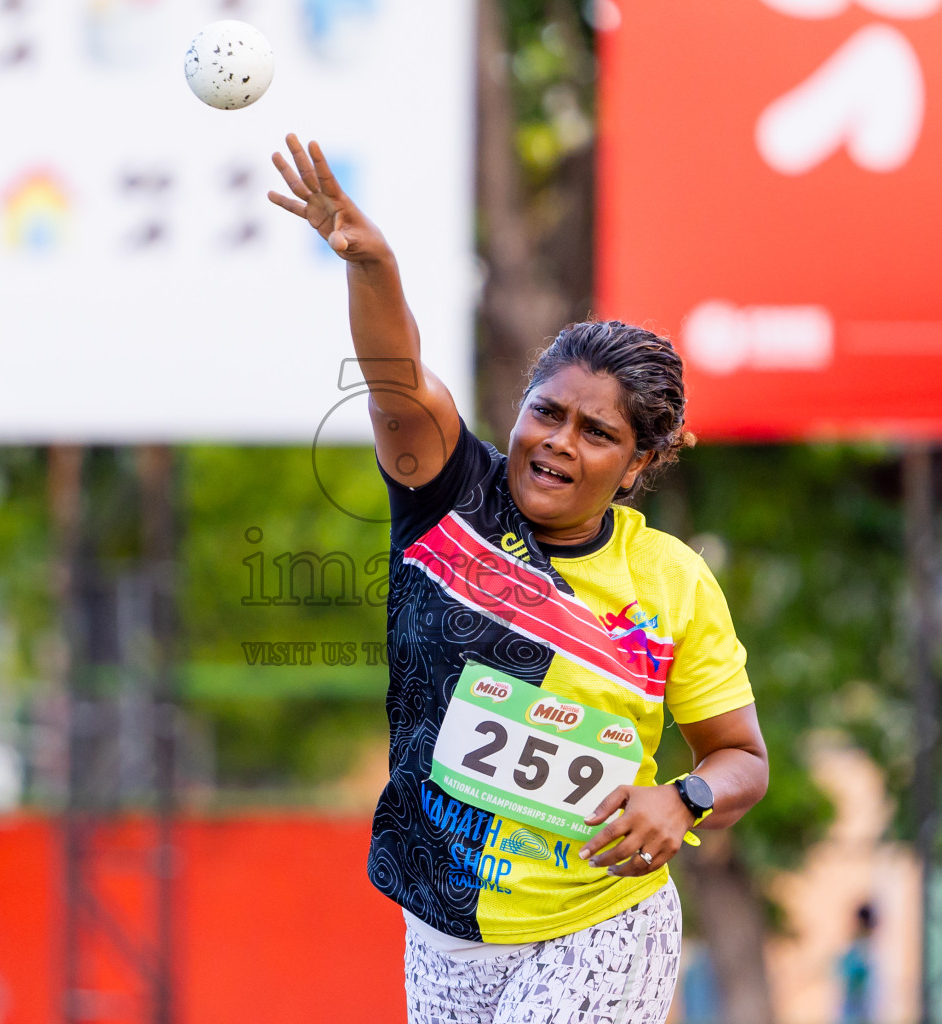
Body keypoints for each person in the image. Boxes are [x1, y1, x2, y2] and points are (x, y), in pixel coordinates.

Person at [268, 134, 769, 1023]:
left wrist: (681, 797)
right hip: (446, 922)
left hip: (600, 922)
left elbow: (742, 763)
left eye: (596, 432)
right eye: (547, 411)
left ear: (641, 461)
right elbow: (395, 386)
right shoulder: (448, 494)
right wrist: (373, 268)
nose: (557, 443)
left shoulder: (672, 581)